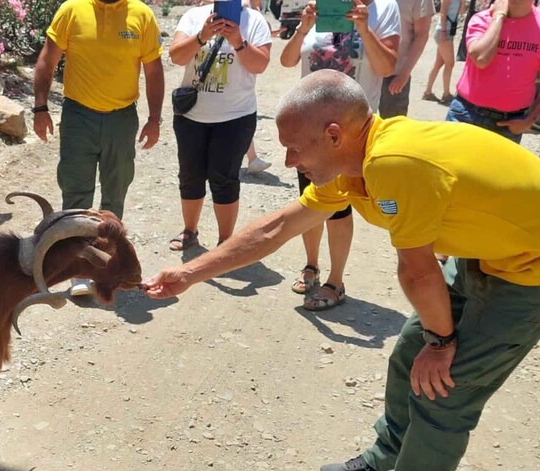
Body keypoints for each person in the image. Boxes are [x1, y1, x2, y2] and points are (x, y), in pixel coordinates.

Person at [144, 70, 540, 471]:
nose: (287, 159)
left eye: (295, 148)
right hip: (492, 249)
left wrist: (443, 344)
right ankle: (387, 458)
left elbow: (418, 272)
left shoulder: (394, 163)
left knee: (446, 387)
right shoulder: (352, 164)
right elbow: (276, 228)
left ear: (334, 135)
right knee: (409, 354)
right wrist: (190, 273)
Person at [33, 0, 164, 296]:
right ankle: (77, 268)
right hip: (79, 116)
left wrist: (154, 118)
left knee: (115, 193)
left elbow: (153, 70)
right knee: (76, 192)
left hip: (122, 118)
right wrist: (40, 107)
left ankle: (108, 268)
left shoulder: (141, 15)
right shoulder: (72, 10)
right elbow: (47, 60)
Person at [280, 0, 400, 310]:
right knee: (309, 199)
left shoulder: (384, 9)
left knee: (339, 207)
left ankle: (336, 280)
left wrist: (364, 27)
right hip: (310, 132)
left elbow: (387, 67)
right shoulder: (320, 5)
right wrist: (303, 27)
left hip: (349, 134)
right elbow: (287, 60)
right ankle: (311, 265)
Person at [167, 2, 273, 250]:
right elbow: (176, 56)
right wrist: (203, 35)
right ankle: (189, 231)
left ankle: (226, 243)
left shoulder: (255, 21)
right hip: (191, 115)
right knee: (190, 176)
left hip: (235, 117)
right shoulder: (194, 16)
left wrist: (238, 41)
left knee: (224, 180)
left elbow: (260, 65)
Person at [447, 0, 540, 142]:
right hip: (465, 114)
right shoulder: (483, 19)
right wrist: (499, 17)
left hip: (509, 124)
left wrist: (529, 120)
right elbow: (481, 59)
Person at [379, 0, 435, 117]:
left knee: (393, 126)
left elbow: (422, 35)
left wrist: (404, 74)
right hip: (364, 69)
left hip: (395, 74)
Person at [423, 0, 466, 103]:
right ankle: (446, 94)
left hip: (448, 32)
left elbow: (461, 12)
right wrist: (443, 32)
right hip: (444, 32)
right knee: (450, 63)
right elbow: (443, 12)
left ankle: (427, 92)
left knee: (439, 63)